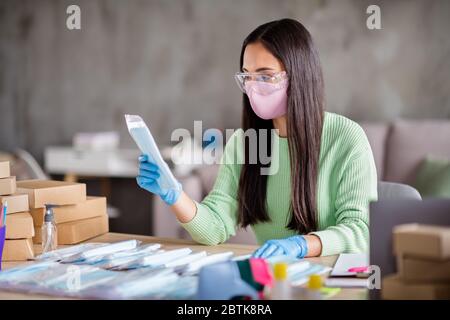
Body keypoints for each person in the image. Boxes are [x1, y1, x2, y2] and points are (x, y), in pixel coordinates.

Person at [136, 18, 378, 259]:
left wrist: (304, 244)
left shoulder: (346, 137)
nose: (253, 87)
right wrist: (174, 194)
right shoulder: (244, 143)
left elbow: (361, 230)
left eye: (265, 76)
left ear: (299, 76)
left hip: (332, 280)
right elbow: (214, 227)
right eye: (247, 77)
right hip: (276, 279)